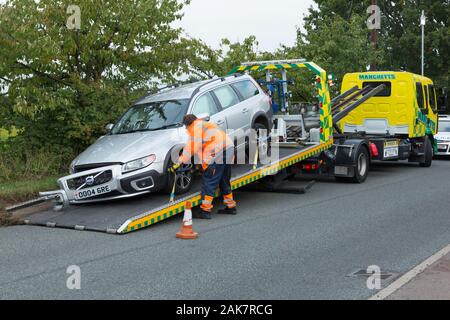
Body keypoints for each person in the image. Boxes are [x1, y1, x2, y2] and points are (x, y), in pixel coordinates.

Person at [169, 114, 236, 219]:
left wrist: (178, 162)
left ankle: (205, 210)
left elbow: (190, 148)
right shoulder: (205, 124)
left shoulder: (195, 128)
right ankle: (231, 206)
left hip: (217, 152)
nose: (186, 129)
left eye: (186, 127)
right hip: (229, 148)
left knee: (209, 181)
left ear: (188, 124)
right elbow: (202, 148)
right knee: (224, 180)